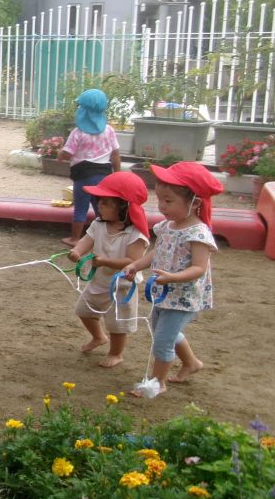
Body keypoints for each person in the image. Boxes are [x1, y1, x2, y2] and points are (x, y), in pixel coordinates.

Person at [122, 162, 222, 397]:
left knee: (162, 340)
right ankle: (192, 363)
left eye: (168, 201)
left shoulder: (198, 233)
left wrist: (174, 277)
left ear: (195, 203)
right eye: (160, 200)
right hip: (164, 291)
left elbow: (199, 267)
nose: (161, 206)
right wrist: (136, 265)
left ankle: (158, 382)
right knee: (163, 332)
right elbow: (158, 252)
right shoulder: (167, 226)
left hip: (184, 297)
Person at [67, 172, 150, 367]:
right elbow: (87, 240)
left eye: (105, 203)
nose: (99, 206)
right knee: (83, 311)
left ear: (123, 207)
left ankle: (116, 353)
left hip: (121, 286)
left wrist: (105, 261)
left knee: (117, 324)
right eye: (99, 201)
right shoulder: (98, 224)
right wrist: (77, 251)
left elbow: (133, 261)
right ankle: (98, 337)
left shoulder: (135, 234)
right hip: (99, 280)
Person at [57, 89, 121, 247]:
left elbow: (66, 153)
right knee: (102, 208)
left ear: (82, 111)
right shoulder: (109, 130)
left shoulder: (78, 133)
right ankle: (107, 237)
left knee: (80, 208)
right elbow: (115, 154)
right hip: (104, 175)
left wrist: (60, 154)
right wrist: (118, 174)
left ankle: (75, 238)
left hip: (83, 176)